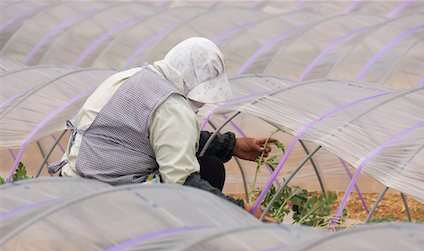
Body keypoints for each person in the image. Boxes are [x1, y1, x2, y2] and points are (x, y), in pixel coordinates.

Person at [49, 37, 276, 222]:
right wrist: (239, 210)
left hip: (73, 184)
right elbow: (181, 182)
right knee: (210, 170)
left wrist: (232, 145)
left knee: (202, 160)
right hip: (109, 201)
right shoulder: (172, 106)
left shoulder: (134, 78)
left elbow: (159, 135)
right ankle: (167, 244)